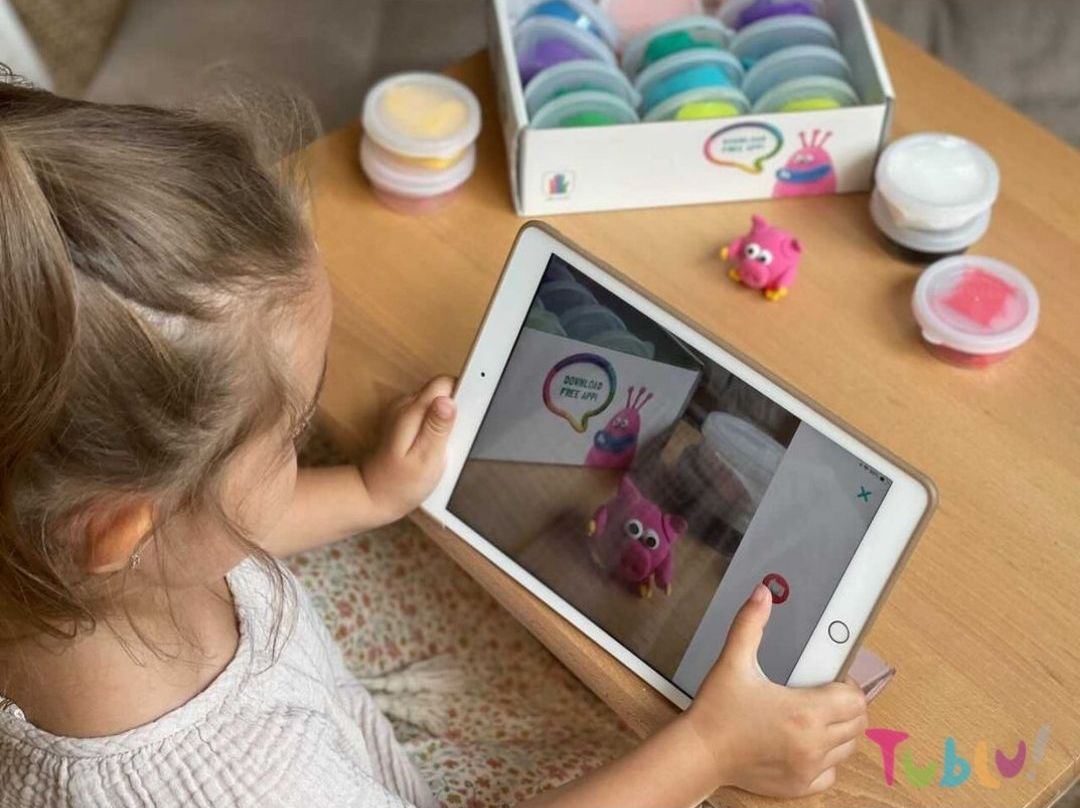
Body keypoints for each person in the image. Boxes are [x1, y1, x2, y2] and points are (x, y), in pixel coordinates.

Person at [0, 78, 866, 807]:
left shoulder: (50, 539)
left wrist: (368, 490)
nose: (306, 444)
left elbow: (210, 524)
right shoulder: (243, 784)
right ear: (119, 528)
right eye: (293, 435)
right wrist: (710, 752)